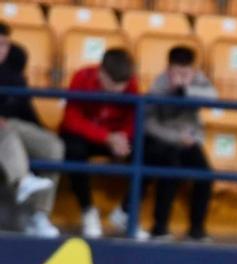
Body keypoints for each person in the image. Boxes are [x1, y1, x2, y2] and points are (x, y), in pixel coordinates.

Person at [59, 48, 138, 239]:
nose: (118, 91)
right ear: (101, 72)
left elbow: (134, 117)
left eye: (122, 86)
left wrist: (123, 138)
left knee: (149, 151)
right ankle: (88, 211)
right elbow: (71, 118)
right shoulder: (81, 77)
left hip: (116, 138)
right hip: (87, 136)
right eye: (112, 86)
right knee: (73, 149)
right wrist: (105, 137)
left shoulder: (131, 84)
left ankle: (125, 213)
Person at [142, 45, 216, 241]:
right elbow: (149, 124)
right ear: (168, 70)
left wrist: (186, 89)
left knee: (206, 176)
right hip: (164, 142)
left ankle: (197, 230)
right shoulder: (159, 85)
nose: (182, 77)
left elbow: (213, 97)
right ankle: (159, 228)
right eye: (177, 73)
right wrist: (176, 137)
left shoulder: (198, 80)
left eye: (186, 73)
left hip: (190, 142)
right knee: (169, 172)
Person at [0, 22, 63, 238]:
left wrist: (44, 131)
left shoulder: (13, 75)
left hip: (13, 126)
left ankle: (39, 215)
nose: (1, 50)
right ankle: (22, 180)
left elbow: (25, 108)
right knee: (7, 133)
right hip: (4, 131)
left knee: (53, 146)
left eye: (5, 45)